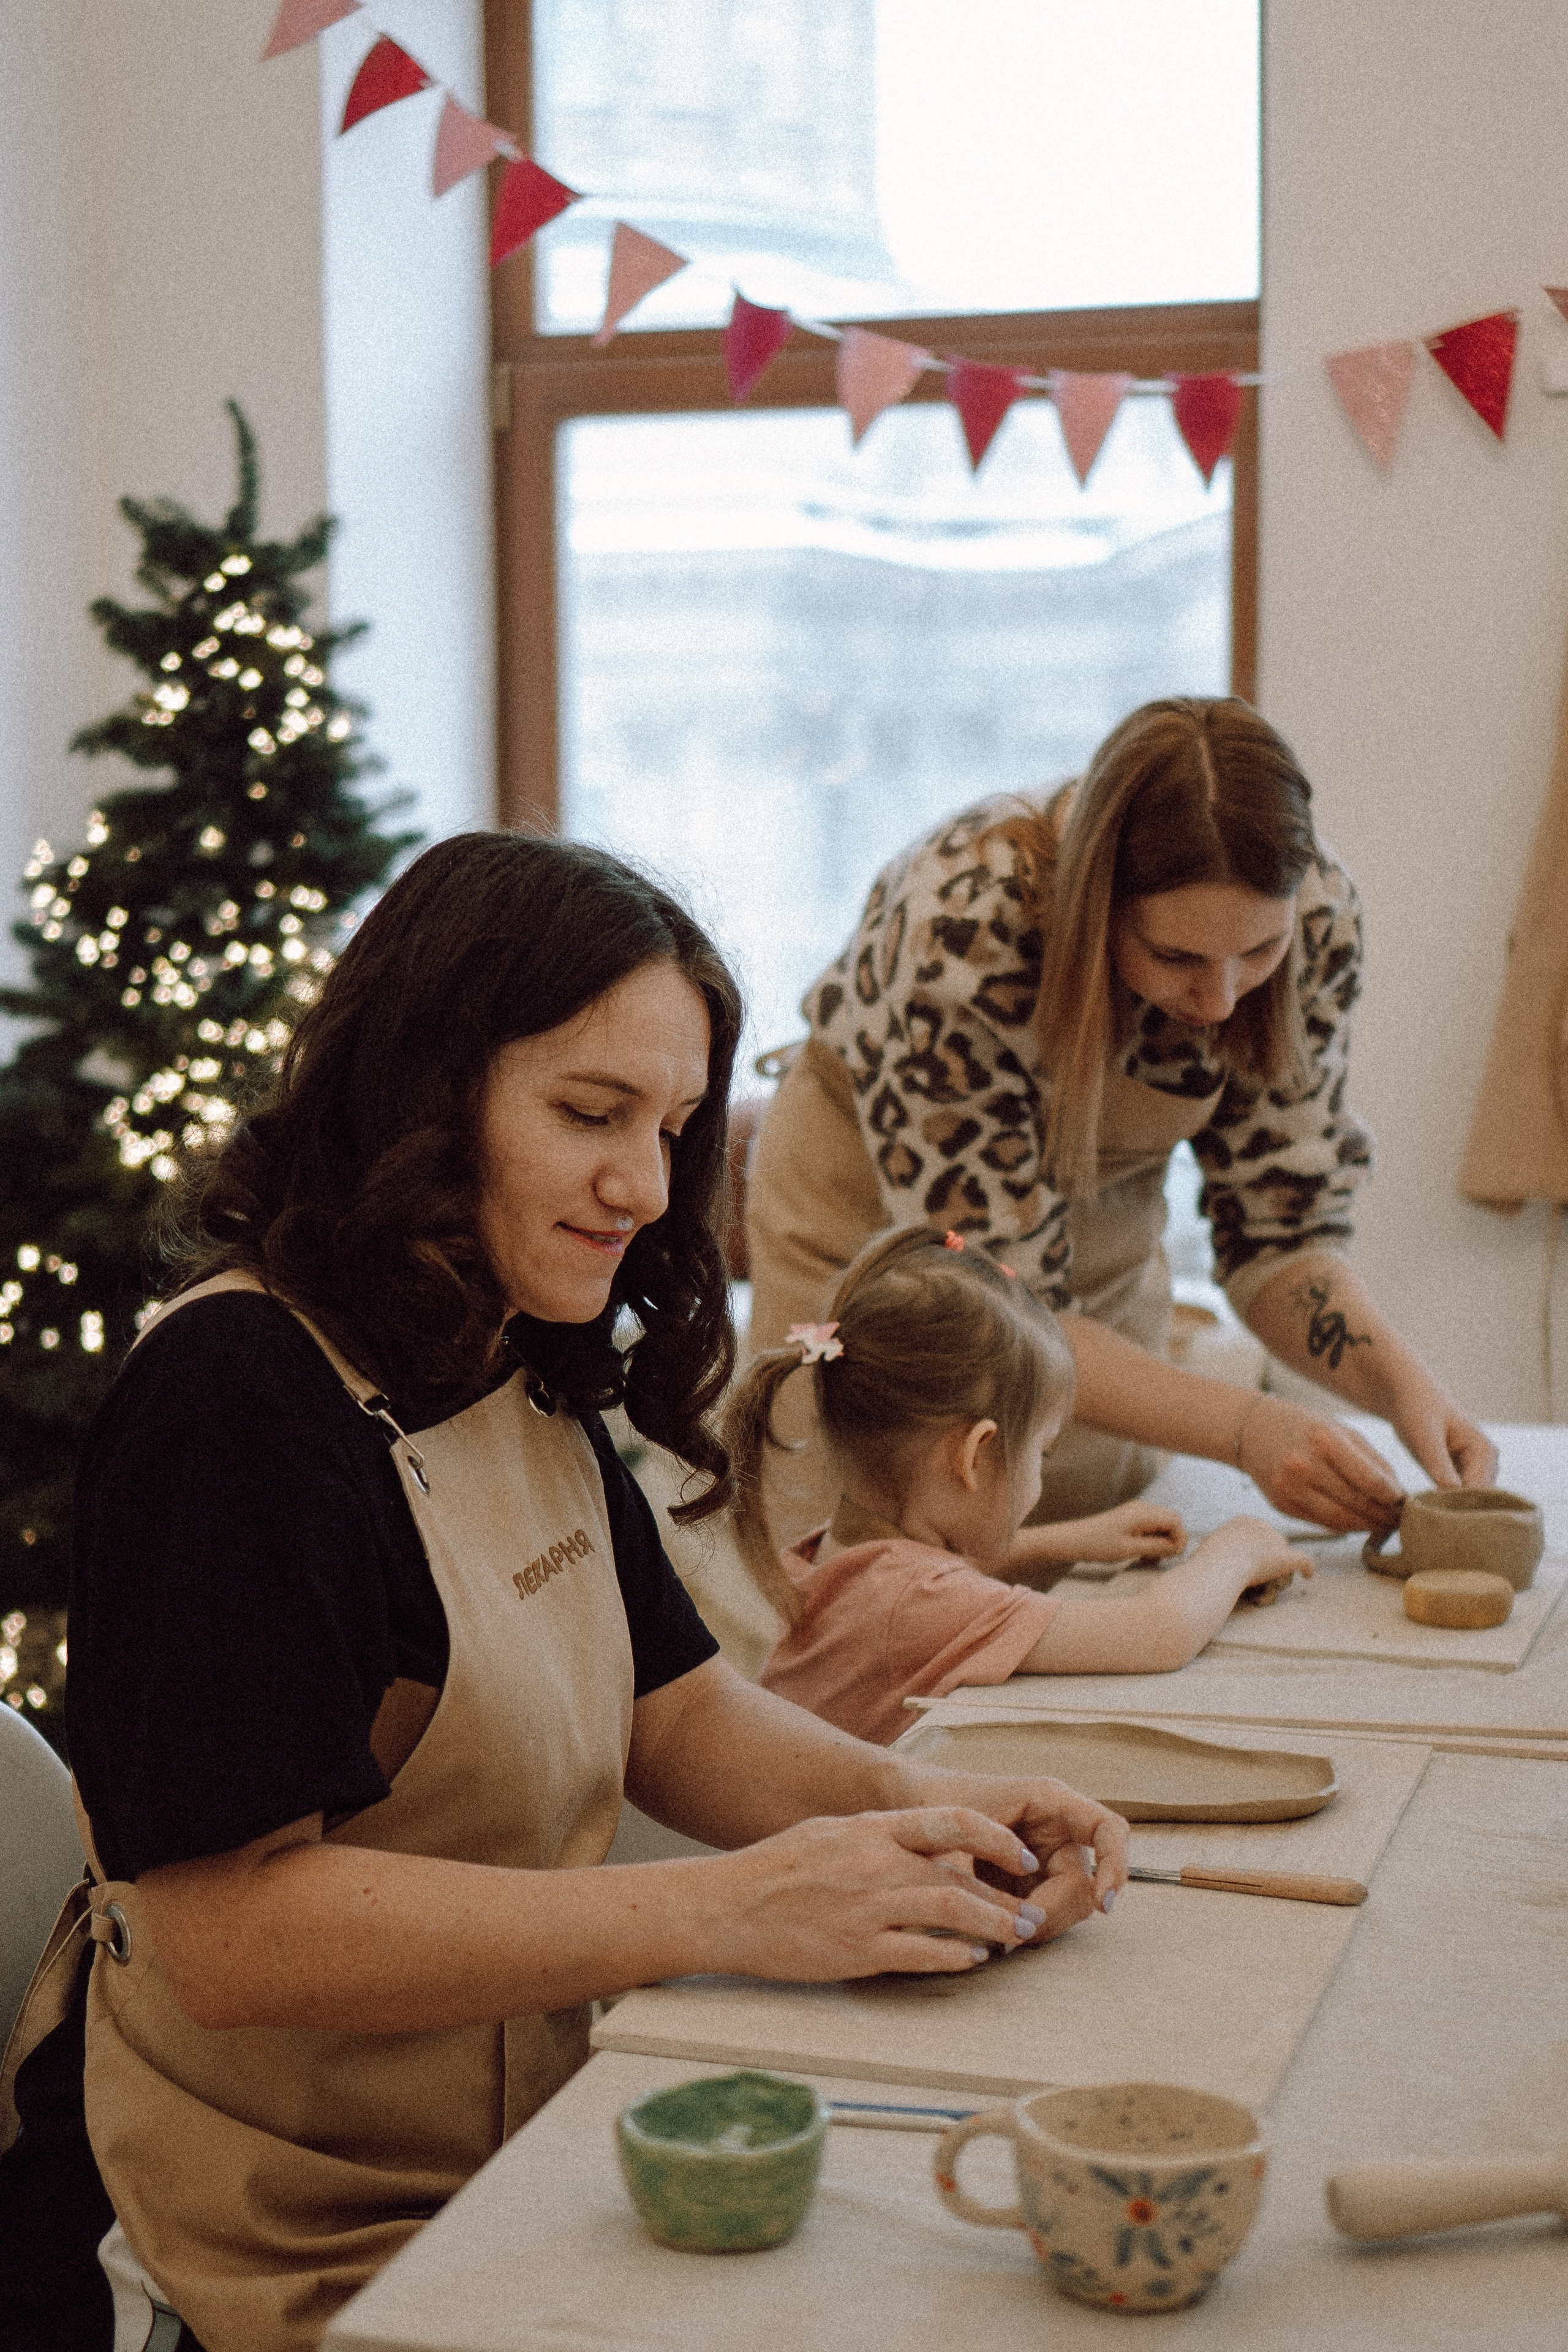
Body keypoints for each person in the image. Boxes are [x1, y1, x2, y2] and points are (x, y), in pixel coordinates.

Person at [1, 835, 1128, 2352]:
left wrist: (935, 1811)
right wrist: (723, 1907)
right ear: (419, 1090)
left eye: (670, 1126)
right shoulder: (236, 1404)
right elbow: (226, 1931)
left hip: (501, 2151)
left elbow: (675, 1710)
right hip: (259, 2226)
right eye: (587, 1114)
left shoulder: (507, 1339)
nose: (642, 1184)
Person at [744, 696, 1498, 1560]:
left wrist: (1402, 1390)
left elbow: (1280, 1237)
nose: (1220, 1000)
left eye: (1258, 955)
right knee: (865, 1579)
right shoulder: (960, 929)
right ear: (1097, 911)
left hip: (1094, 1244)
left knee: (1092, 1553)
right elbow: (1001, 1299)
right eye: (1177, 958)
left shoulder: (1316, 918)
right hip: (869, 1228)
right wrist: (1246, 1428)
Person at [728, 1226, 1310, 1746]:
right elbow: (1159, 1634)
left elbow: (935, 1576)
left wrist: (1069, 1540)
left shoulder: (833, 1551)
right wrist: (1238, 1549)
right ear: (975, 1456)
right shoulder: (913, 1606)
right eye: (1042, 1451)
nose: (1042, 1471)